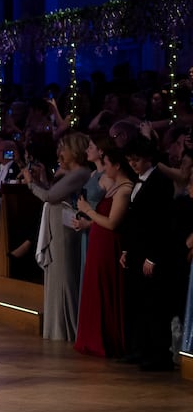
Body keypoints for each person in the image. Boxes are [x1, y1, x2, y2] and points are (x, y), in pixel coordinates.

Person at [22, 132, 91, 343]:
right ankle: (56, 328)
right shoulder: (69, 174)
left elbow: (51, 197)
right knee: (55, 277)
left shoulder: (80, 173)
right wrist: (42, 181)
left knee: (64, 279)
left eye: (64, 149)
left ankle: (67, 328)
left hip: (65, 233)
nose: (59, 154)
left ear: (75, 151)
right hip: (58, 229)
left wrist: (30, 184)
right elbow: (53, 193)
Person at [117, 136, 179, 371]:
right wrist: (126, 250)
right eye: (130, 159)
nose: (132, 163)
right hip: (136, 251)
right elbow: (134, 221)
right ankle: (140, 349)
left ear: (148, 158)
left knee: (154, 305)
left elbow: (163, 224)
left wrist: (153, 256)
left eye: (137, 159)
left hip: (152, 253)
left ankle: (158, 354)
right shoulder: (138, 179)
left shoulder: (160, 181)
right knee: (138, 303)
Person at [74, 145, 132, 358]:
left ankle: (106, 340)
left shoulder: (125, 189)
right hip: (98, 243)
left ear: (117, 165)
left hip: (108, 245)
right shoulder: (115, 186)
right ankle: (92, 338)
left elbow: (112, 223)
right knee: (94, 290)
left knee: (104, 290)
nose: (104, 169)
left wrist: (87, 210)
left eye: (107, 164)